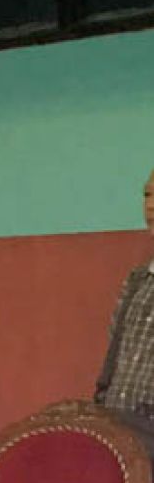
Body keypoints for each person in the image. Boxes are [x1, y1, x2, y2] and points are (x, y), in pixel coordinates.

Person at [94, 168, 154, 449]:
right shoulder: (137, 281)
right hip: (117, 426)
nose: (151, 205)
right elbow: (113, 356)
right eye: (147, 194)